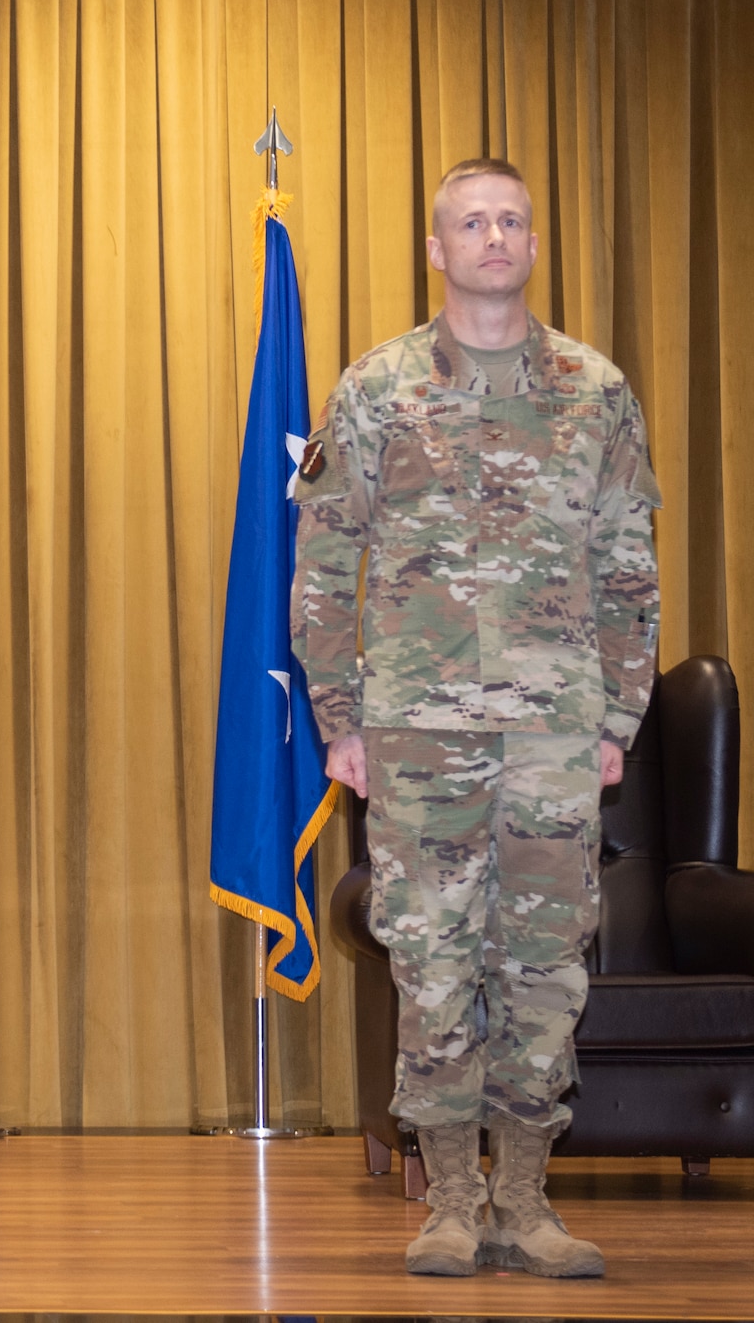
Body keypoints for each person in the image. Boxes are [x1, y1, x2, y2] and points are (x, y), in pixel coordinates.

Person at [293, 158, 660, 1279]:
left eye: (509, 220)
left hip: (554, 731)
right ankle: (450, 1199)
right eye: (469, 221)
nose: (492, 236)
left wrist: (618, 716)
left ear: (532, 243)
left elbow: (627, 567)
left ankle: (526, 1201)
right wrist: (338, 715)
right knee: (434, 955)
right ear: (435, 249)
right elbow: (322, 557)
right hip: (415, 733)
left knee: (545, 962)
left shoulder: (590, 388)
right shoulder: (376, 387)